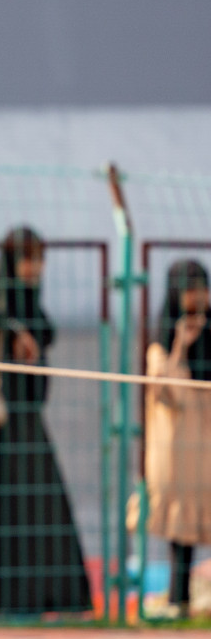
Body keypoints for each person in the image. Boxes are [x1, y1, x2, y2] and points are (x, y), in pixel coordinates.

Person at [0, 227, 90, 617]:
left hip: (27, 414)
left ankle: (44, 592)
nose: (34, 269)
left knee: (38, 502)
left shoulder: (30, 301)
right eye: (28, 259)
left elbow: (47, 331)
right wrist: (13, 331)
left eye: (39, 260)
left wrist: (27, 330)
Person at [141, 259, 211, 614]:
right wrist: (182, 345)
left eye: (203, 288)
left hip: (206, 443)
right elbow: (164, 390)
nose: (198, 298)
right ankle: (177, 598)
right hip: (177, 449)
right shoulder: (162, 337)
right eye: (190, 290)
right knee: (179, 527)